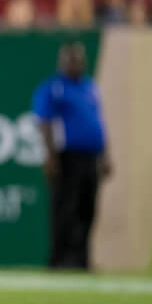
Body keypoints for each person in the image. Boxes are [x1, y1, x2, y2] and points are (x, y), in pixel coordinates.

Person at [33, 42, 111, 270]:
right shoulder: (53, 88)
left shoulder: (90, 87)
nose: (75, 63)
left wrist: (105, 154)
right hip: (66, 157)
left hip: (90, 157)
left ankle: (82, 259)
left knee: (88, 209)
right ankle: (60, 259)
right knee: (65, 209)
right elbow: (44, 122)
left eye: (78, 58)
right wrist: (50, 156)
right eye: (71, 58)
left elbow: (99, 124)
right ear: (62, 61)